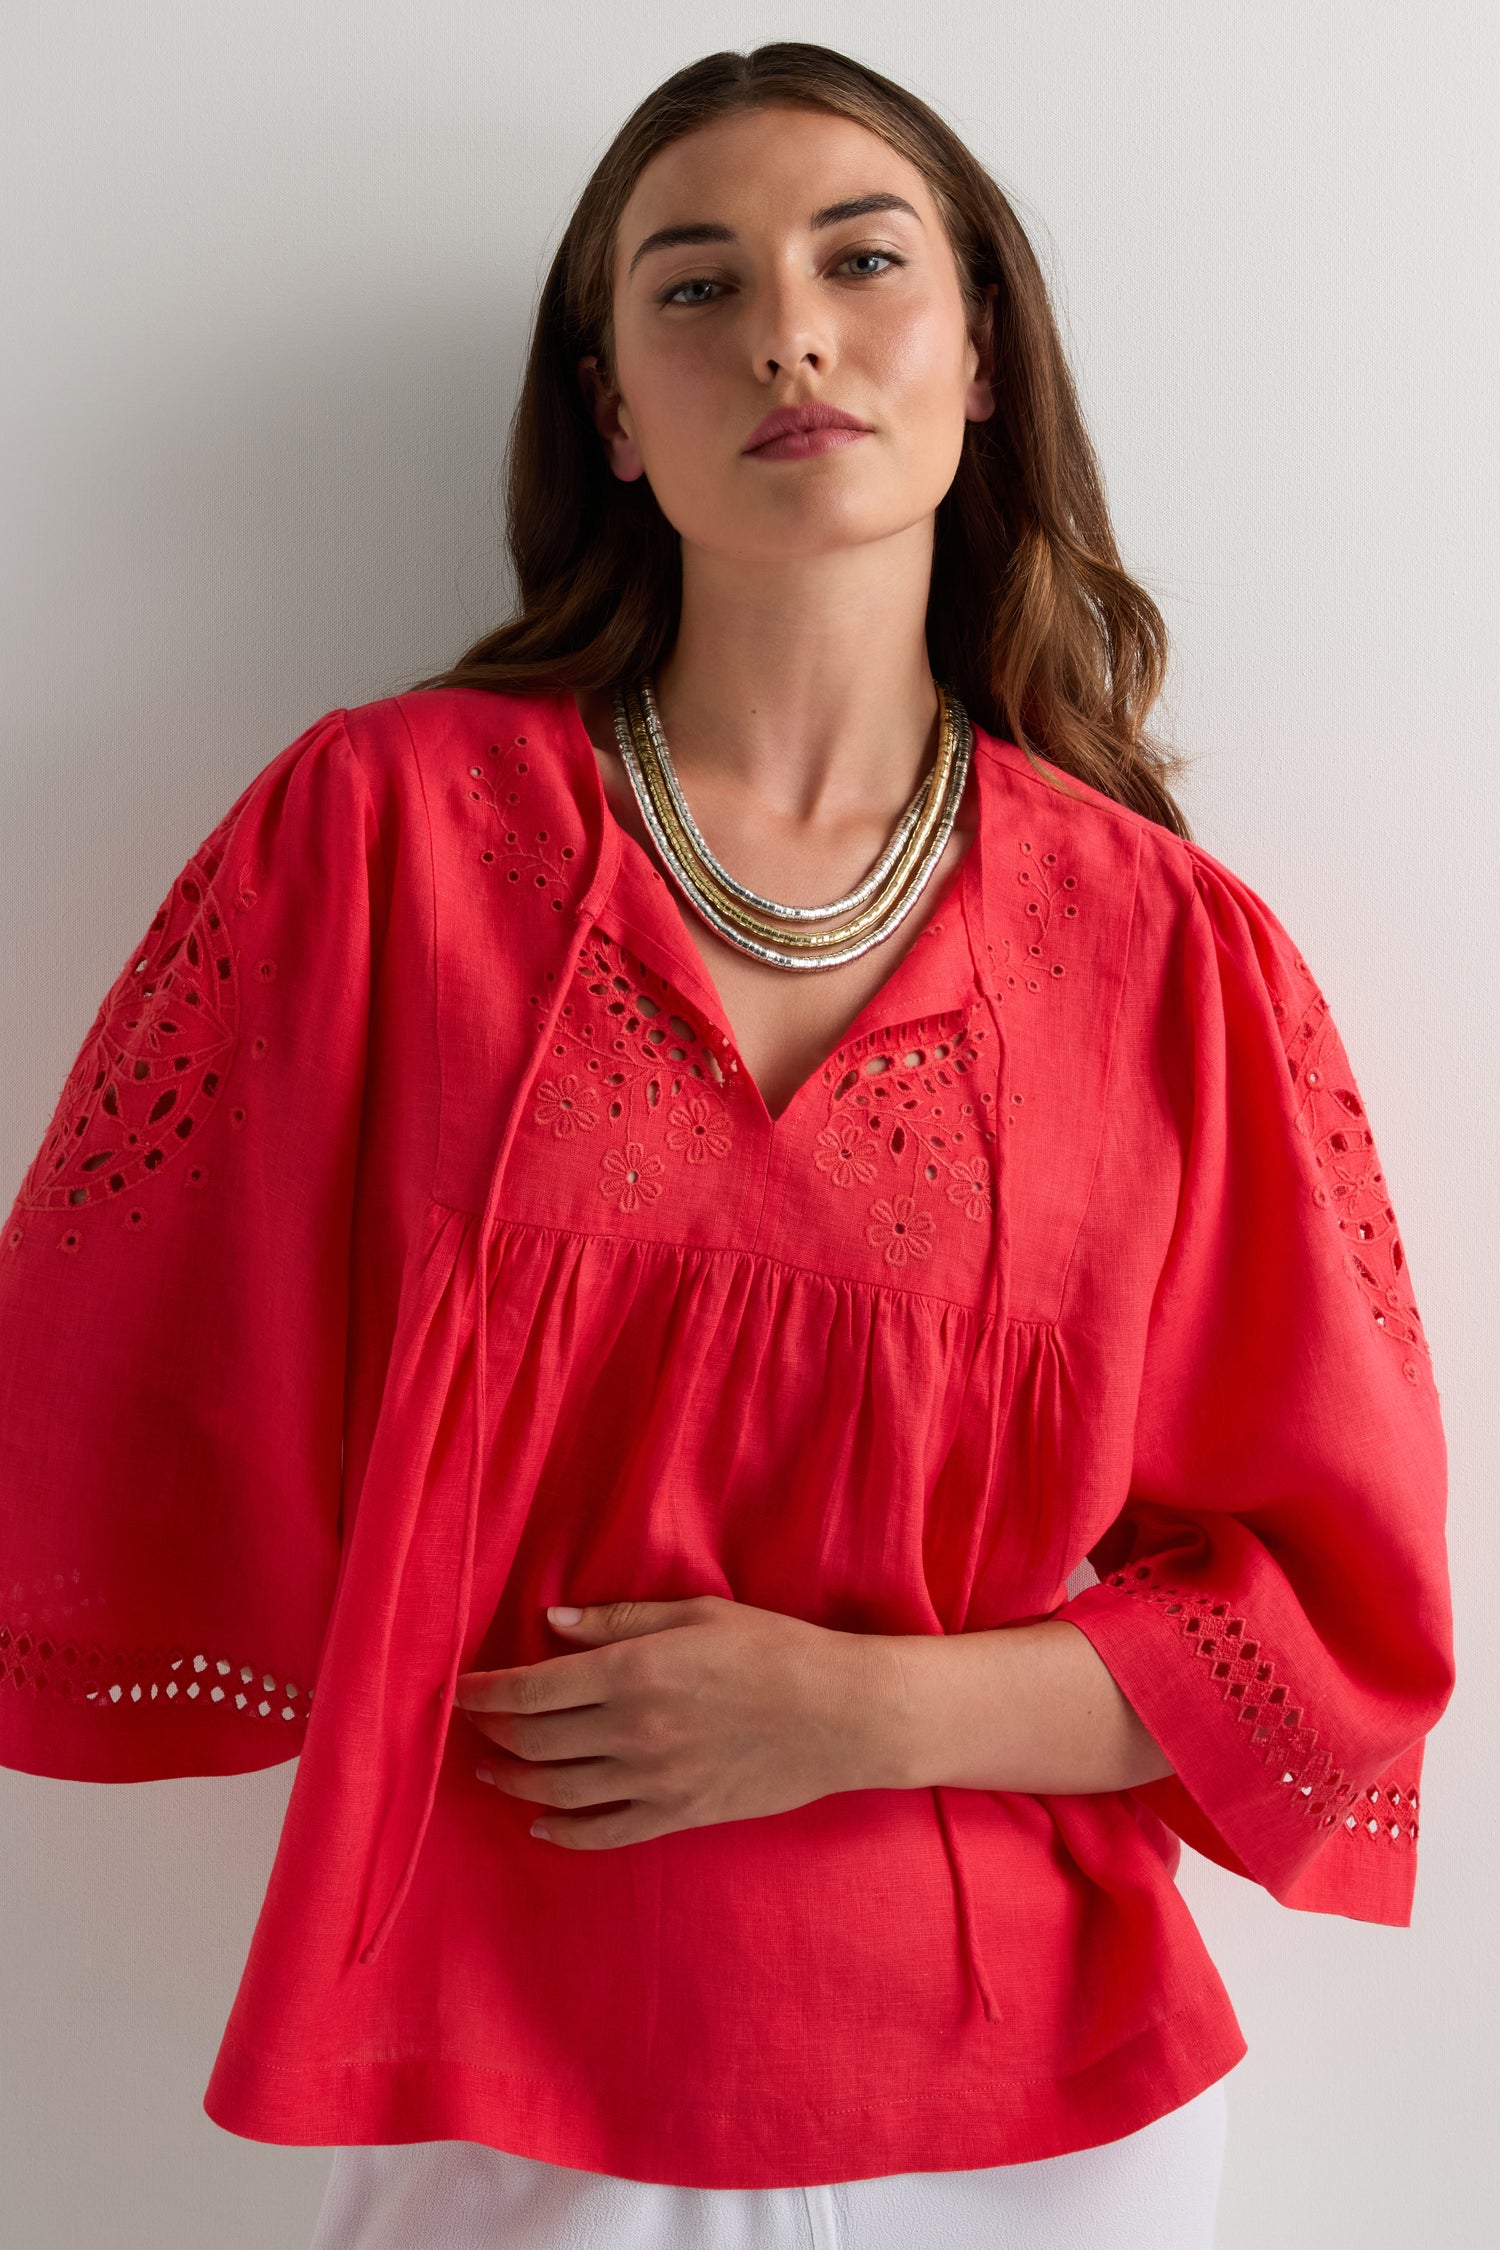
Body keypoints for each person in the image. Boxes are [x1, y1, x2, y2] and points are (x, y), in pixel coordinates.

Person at [0, 41, 1454, 2250]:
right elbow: (101, 1393)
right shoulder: (375, 842)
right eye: (696, 286)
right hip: (511, 2081)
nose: (785, 325)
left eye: (862, 261)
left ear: (979, 359)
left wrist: (857, 1710)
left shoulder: (1176, 960)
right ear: (612, 413)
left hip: (1048, 2119)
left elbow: (1329, 1634)